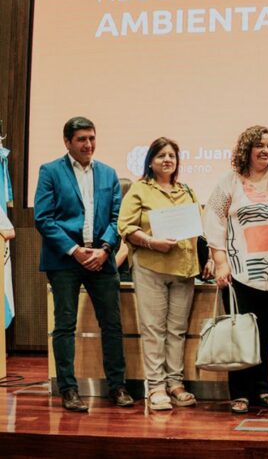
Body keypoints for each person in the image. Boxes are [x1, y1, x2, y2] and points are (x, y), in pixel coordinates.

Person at [34, 116, 134, 412]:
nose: (88, 144)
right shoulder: (50, 171)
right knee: (65, 326)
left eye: (91, 138)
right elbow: (43, 218)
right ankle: (68, 389)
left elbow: (118, 217)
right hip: (64, 260)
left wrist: (105, 249)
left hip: (101, 259)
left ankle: (117, 386)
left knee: (112, 326)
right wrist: (74, 250)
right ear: (67, 142)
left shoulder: (108, 173)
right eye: (81, 139)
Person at [203, 125, 268, 413]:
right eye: (259, 145)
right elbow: (214, 219)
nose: (266, 150)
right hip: (239, 272)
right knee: (240, 333)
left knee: (264, 334)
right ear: (247, 150)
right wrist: (219, 262)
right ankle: (239, 391)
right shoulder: (230, 181)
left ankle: (261, 388)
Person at [118, 137, 211, 410]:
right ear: (151, 161)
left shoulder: (187, 191)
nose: (167, 160)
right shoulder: (139, 190)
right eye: (161, 156)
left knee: (177, 331)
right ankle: (156, 388)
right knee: (154, 330)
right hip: (151, 268)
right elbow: (125, 227)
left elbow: (199, 230)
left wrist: (207, 260)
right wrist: (151, 242)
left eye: (171, 156)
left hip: (184, 270)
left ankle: (176, 384)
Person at [116, 178, 133, 282]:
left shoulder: (126, 218)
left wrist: (108, 271)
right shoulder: (118, 216)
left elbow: (124, 250)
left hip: (122, 273)